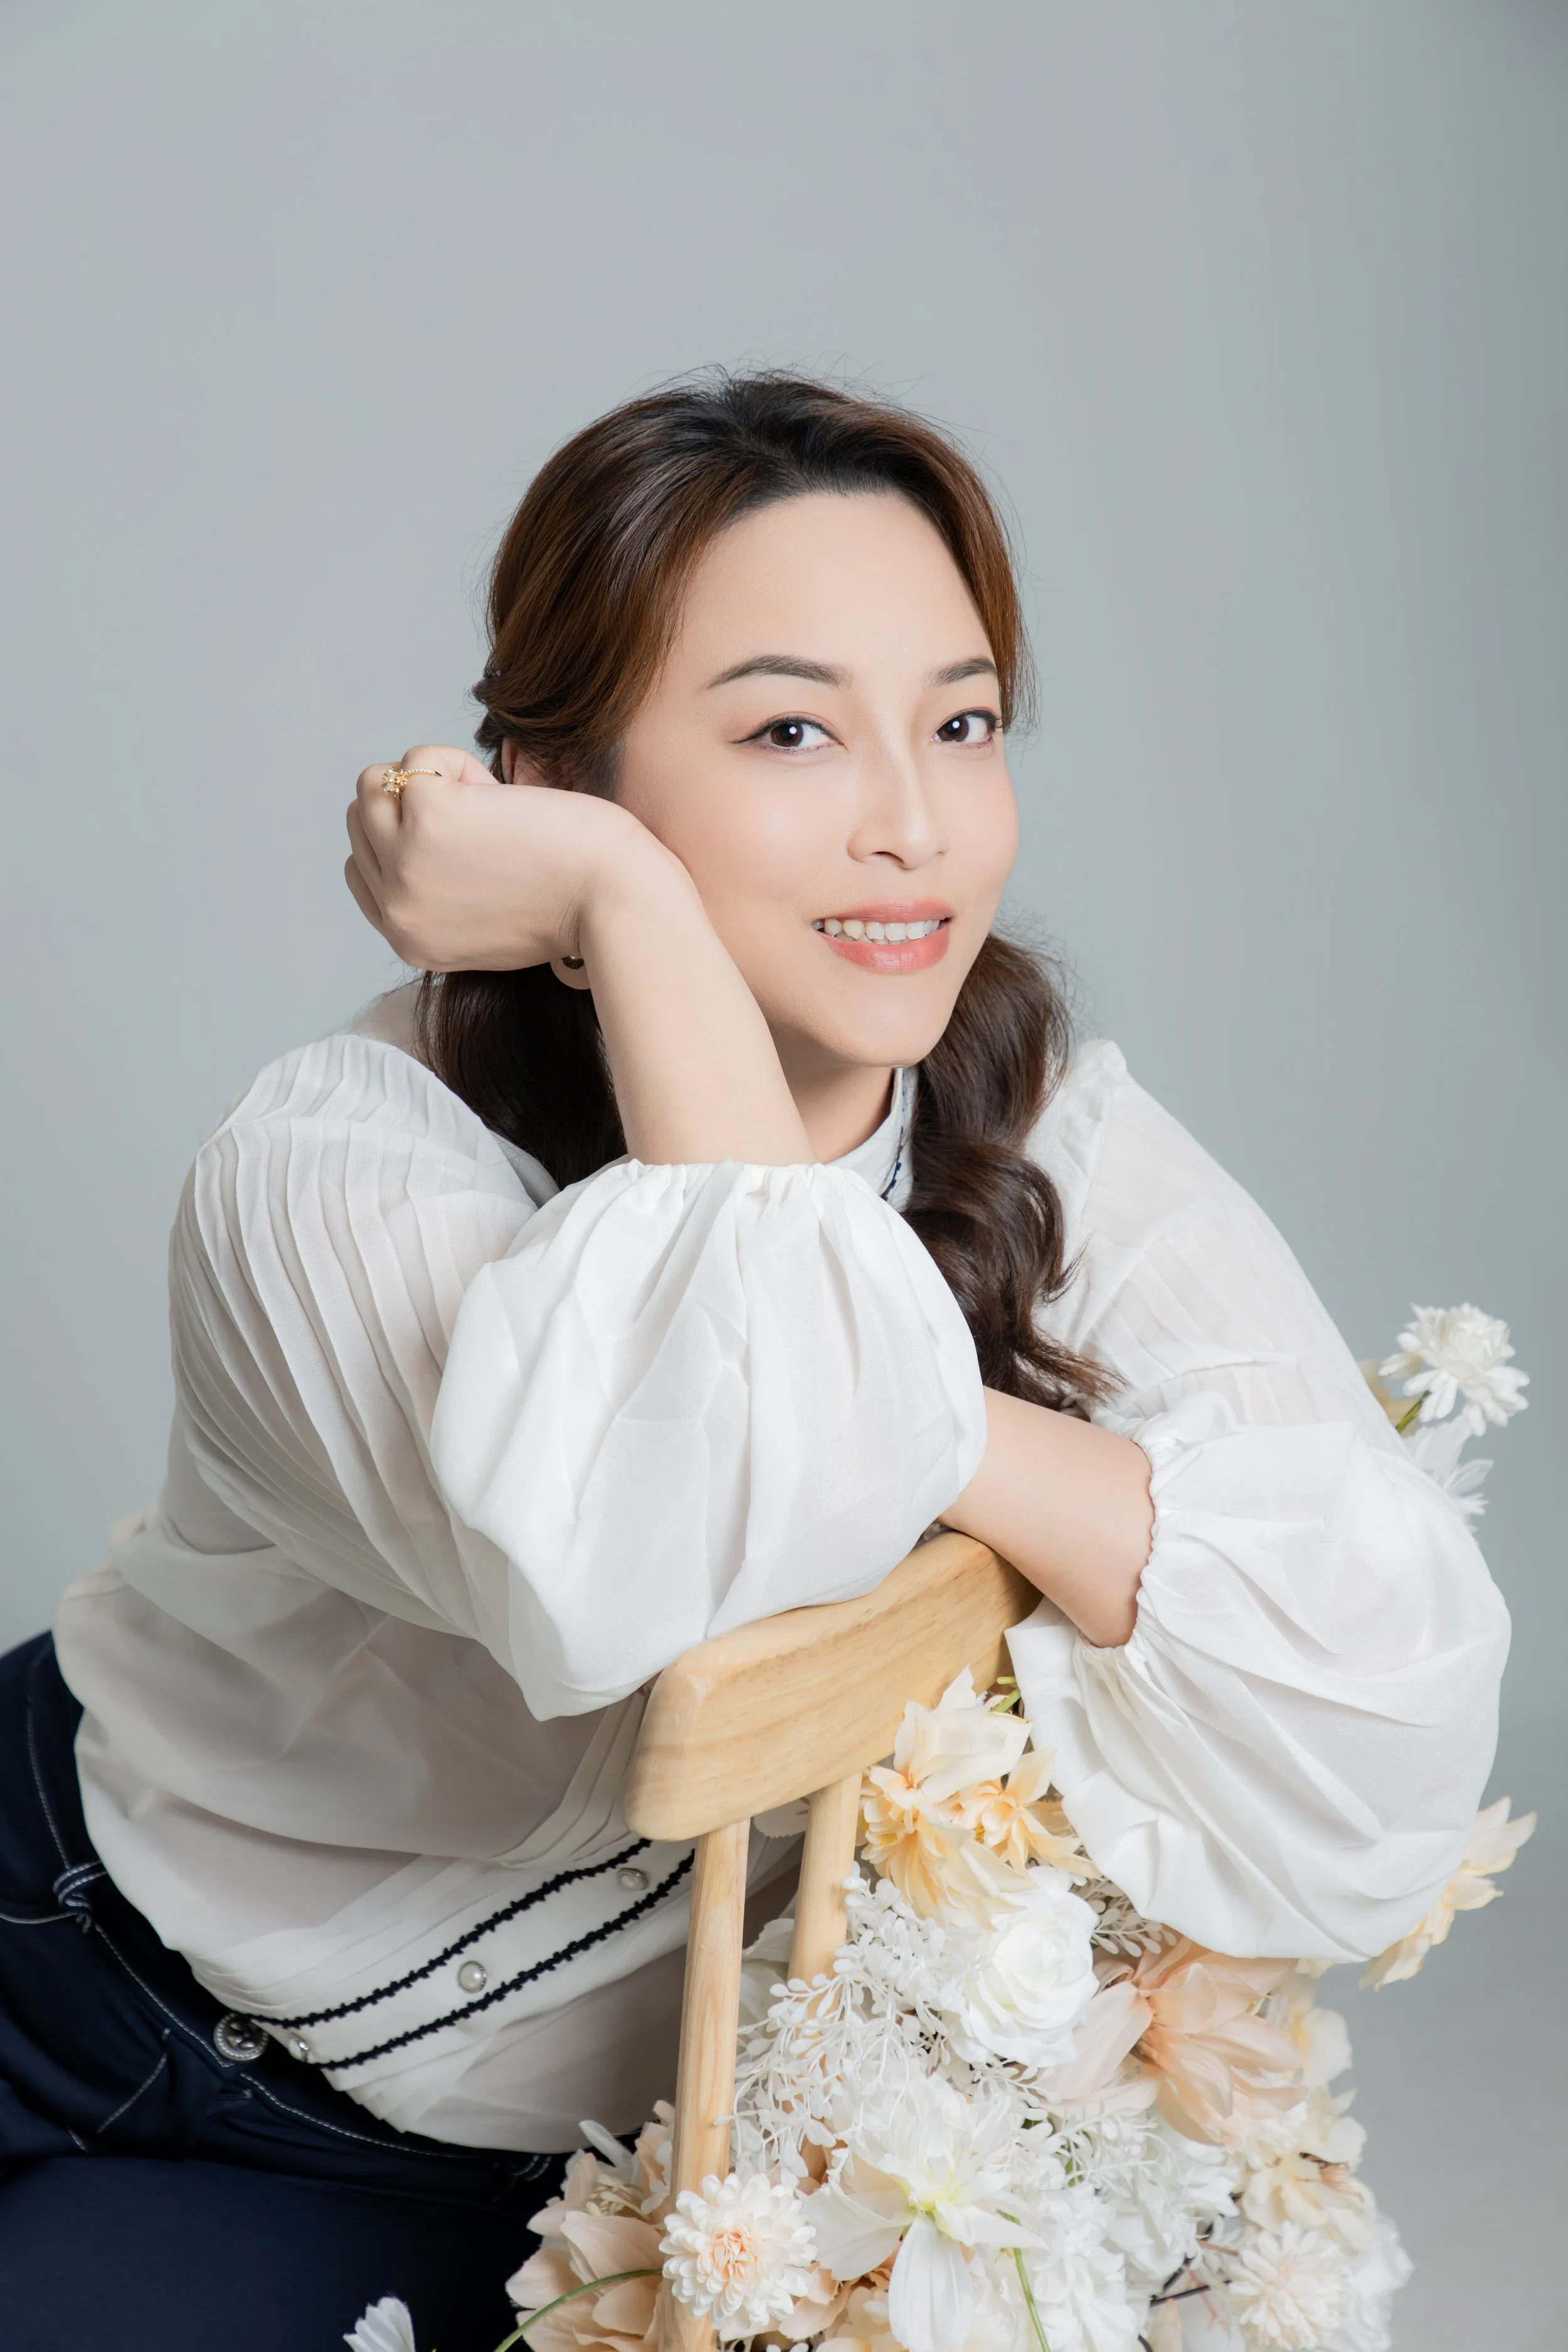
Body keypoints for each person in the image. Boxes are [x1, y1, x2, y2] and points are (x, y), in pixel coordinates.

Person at [0, 374, 1509, 2349]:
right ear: (551, 789)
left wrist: (942, 1441)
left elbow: (1386, 1702)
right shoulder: (332, 1169)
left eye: (961, 723)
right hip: (72, 1946)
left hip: (511, 2167)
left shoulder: (1041, 1130)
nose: (913, 824)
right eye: (792, 729)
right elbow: (683, 1578)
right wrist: (627, 906)